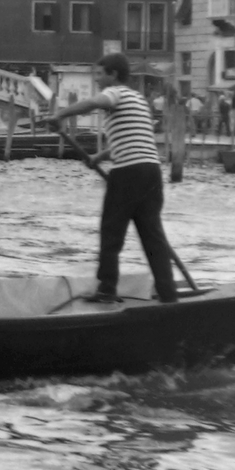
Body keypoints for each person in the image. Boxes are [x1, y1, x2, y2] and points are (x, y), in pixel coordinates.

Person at [49, 52, 178, 305]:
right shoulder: (138, 99)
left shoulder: (116, 93)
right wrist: (100, 156)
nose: (96, 80)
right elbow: (132, 138)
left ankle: (107, 289)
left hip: (128, 173)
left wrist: (61, 115)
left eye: (100, 74)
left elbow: (93, 103)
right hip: (151, 173)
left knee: (111, 232)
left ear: (114, 75)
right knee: (153, 236)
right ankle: (168, 294)